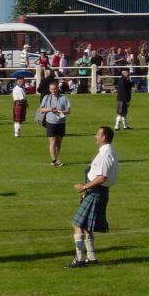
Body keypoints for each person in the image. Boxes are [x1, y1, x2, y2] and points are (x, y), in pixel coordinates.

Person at [67, 126, 118, 268]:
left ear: (104, 137)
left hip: (96, 191)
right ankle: (91, 257)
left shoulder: (105, 154)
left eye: (97, 134)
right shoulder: (108, 151)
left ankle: (78, 258)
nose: (95, 136)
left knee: (77, 224)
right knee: (86, 225)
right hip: (95, 191)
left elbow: (102, 177)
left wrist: (84, 188)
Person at [39, 80, 70, 167]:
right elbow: (41, 110)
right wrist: (50, 109)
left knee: (58, 143)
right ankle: (54, 160)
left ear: (58, 89)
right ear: (49, 89)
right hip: (50, 122)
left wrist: (61, 112)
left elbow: (68, 111)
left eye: (55, 89)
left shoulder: (64, 98)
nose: (54, 91)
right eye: (52, 89)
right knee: (52, 141)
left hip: (61, 122)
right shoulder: (46, 98)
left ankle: (55, 159)